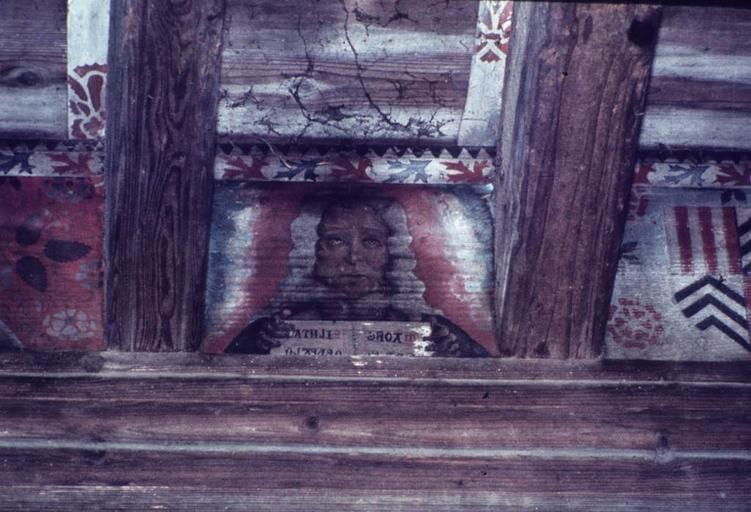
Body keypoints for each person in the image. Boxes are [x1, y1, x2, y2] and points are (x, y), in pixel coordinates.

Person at [225, 194, 488, 357]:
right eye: (336, 241)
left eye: (371, 242)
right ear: (313, 251)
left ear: (391, 253)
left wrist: (452, 353)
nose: (353, 257)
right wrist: (257, 349)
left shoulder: (434, 331)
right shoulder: (268, 332)